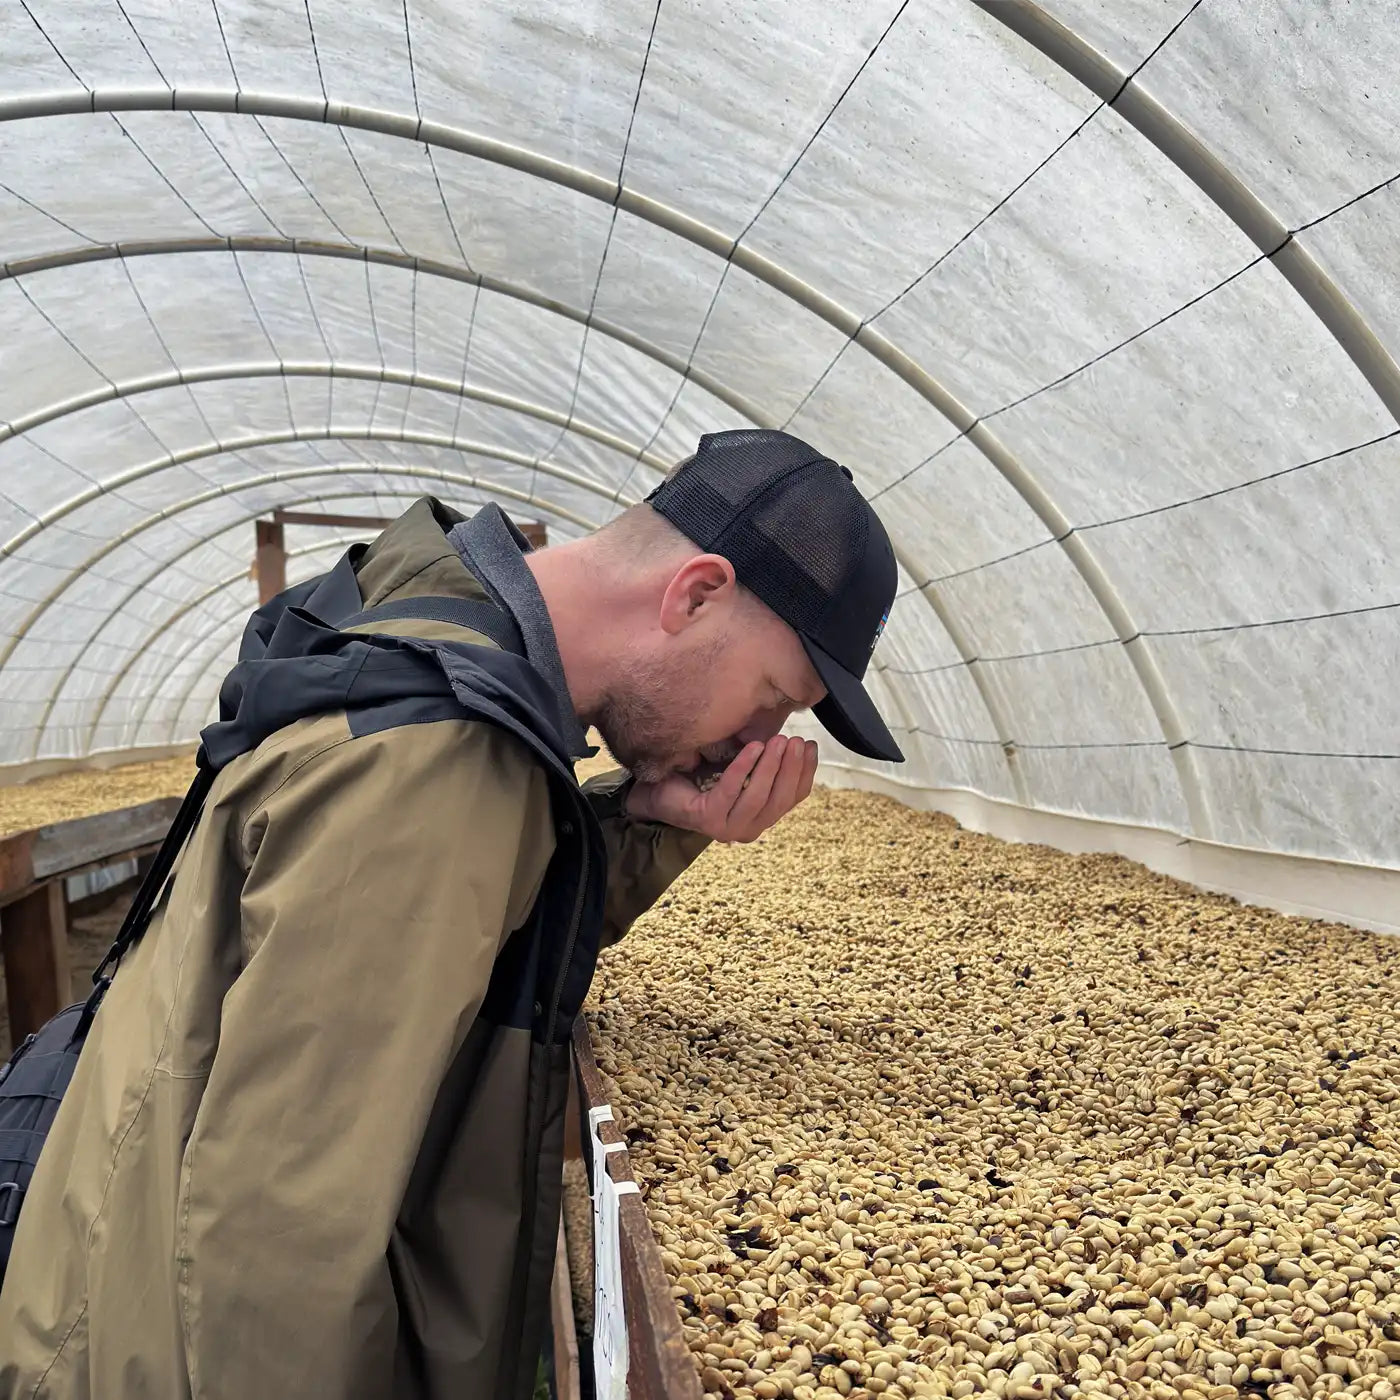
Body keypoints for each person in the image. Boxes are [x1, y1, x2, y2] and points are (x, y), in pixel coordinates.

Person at [0, 428, 903, 1399]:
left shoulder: (427, 618)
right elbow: (280, 1224)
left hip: (98, 1279)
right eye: (773, 696)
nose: (756, 740)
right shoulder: (443, 762)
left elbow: (471, 933)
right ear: (692, 593)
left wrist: (646, 818)